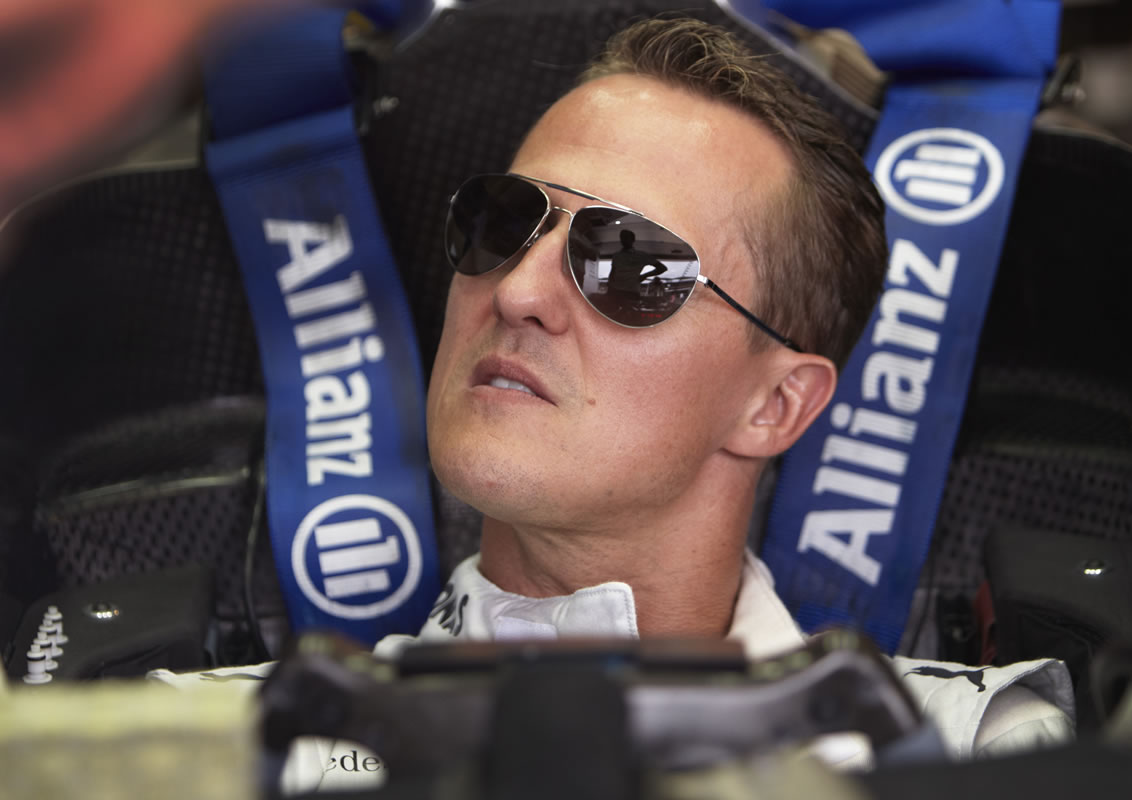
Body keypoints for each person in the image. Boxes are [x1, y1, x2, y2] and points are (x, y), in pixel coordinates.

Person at [153, 16, 1074, 791]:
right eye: (503, 222)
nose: (517, 292)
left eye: (629, 264)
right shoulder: (196, 755)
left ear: (775, 405)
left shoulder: (974, 757)